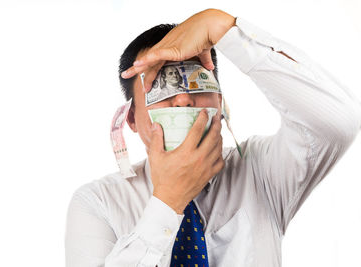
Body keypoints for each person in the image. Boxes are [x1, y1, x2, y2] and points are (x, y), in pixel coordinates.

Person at [65, 8, 361, 267]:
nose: (182, 100)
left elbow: (338, 121)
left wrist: (225, 29)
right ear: (131, 119)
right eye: (160, 87)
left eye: (196, 80)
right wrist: (168, 202)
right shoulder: (97, 203)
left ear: (220, 103)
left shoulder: (261, 172)